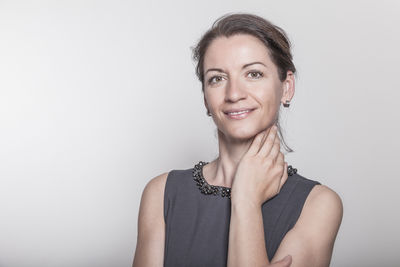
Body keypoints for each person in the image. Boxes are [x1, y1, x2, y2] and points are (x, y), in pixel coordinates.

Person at [132, 13, 343, 267]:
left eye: (253, 74)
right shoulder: (162, 193)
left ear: (286, 87)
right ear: (205, 99)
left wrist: (246, 198)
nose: (234, 93)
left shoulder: (318, 205)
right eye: (217, 79)